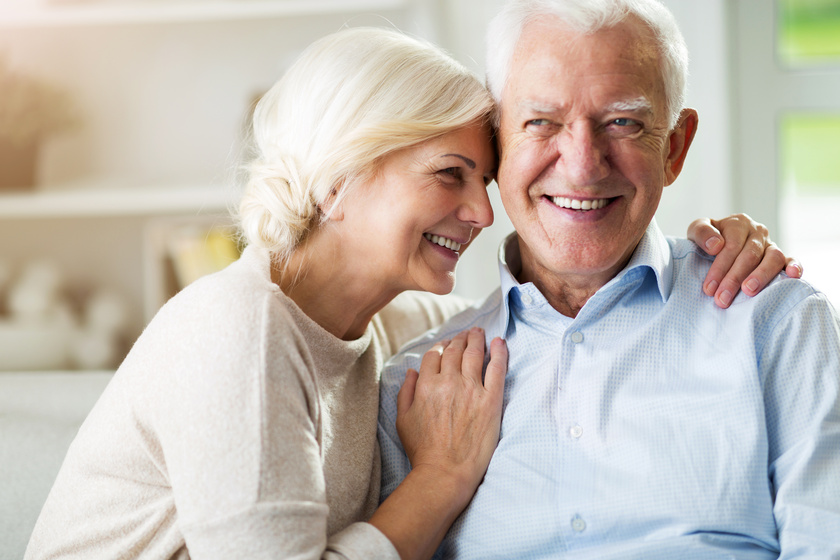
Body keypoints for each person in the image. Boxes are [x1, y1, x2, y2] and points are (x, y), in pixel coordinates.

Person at [27, 24, 791, 560]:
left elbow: (556, 308)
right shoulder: (240, 331)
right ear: (339, 181)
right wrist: (441, 478)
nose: (485, 213)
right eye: (449, 176)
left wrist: (727, 244)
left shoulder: (394, 324)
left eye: (483, 179)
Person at [378, 1, 840, 558]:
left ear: (674, 147)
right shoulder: (414, 389)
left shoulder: (778, 323)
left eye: (622, 121)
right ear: (497, 146)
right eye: (541, 122)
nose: (582, 166)